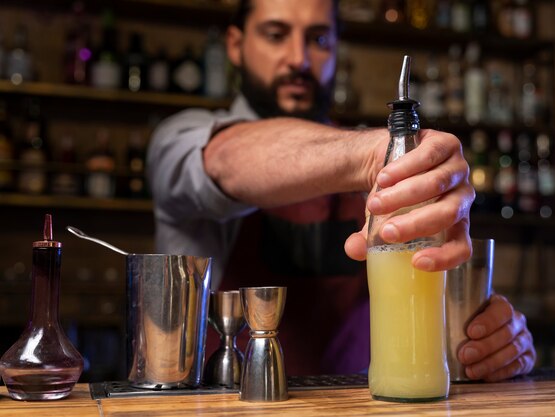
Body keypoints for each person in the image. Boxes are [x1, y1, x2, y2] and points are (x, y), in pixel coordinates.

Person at [147, 0, 535, 381]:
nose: (298, 59)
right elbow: (227, 160)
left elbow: (425, 298)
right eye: (276, 35)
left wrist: (494, 339)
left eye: (318, 39)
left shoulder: (380, 154)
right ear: (235, 45)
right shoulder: (183, 137)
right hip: (231, 407)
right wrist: (371, 154)